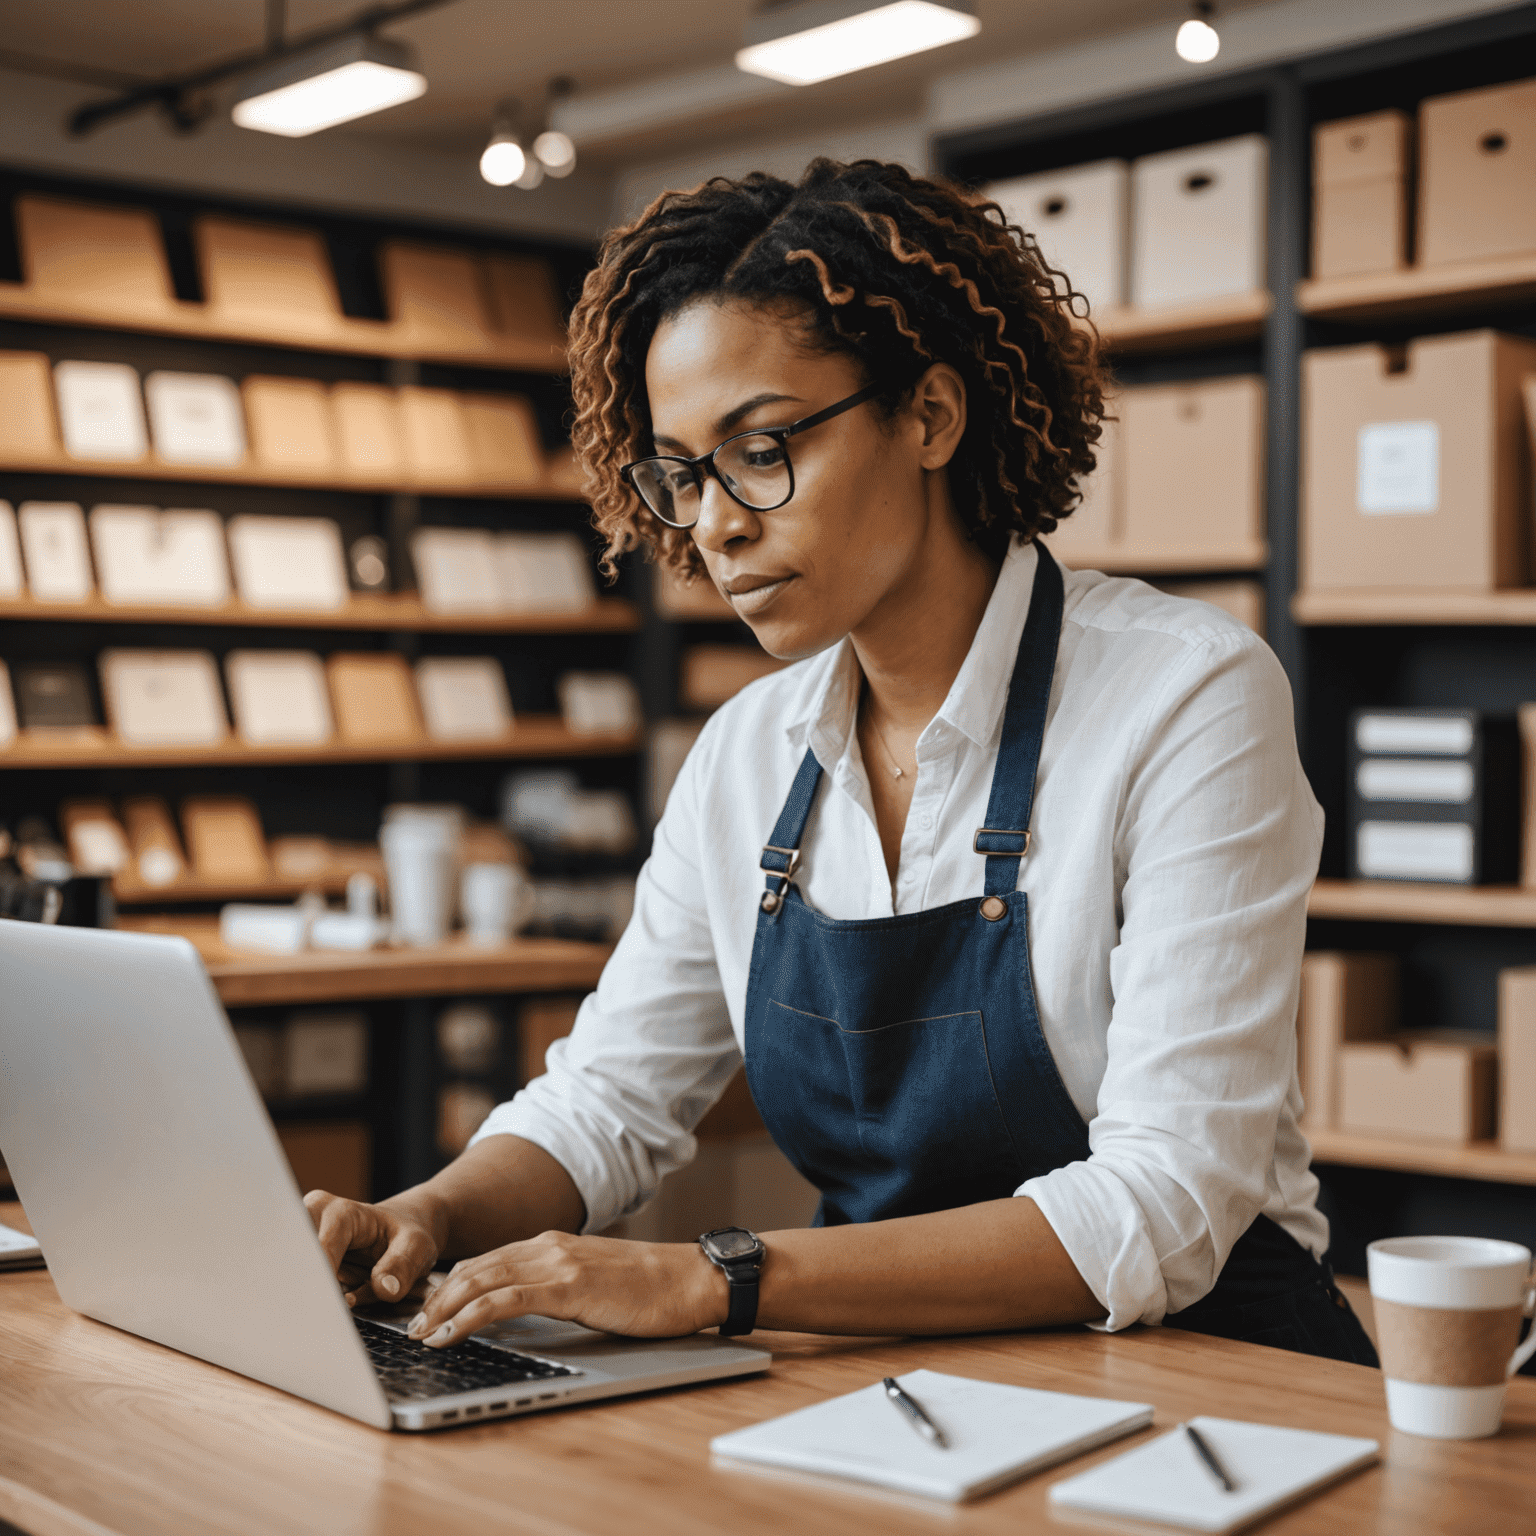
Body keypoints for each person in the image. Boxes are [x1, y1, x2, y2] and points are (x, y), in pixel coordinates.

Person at [306, 158, 1376, 1366]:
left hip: (1213, 1373)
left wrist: (712, 1280)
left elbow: (1165, 1202)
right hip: (885, 1364)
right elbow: (606, 1103)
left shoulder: (1186, 696)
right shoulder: (745, 755)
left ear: (929, 414)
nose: (715, 523)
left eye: (762, 449)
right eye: (683, 474)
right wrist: (423, 1217)